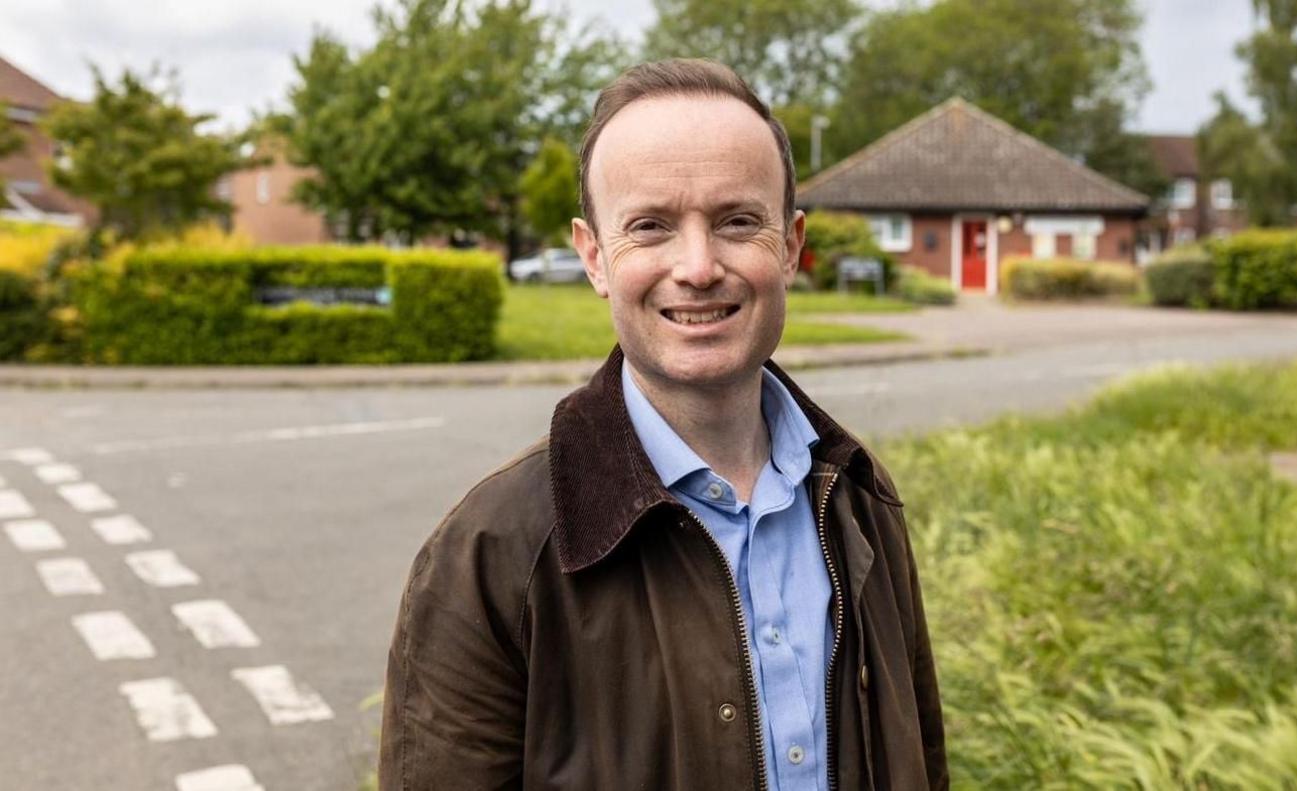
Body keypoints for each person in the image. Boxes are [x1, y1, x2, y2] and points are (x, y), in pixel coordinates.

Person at [379, 58, 947, 791]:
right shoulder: (489, 553)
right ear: (594, 257)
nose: (699, 265)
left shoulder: (860, 497)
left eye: (738, 221)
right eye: (650, 226)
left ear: (792, 244)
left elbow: (922, 761)